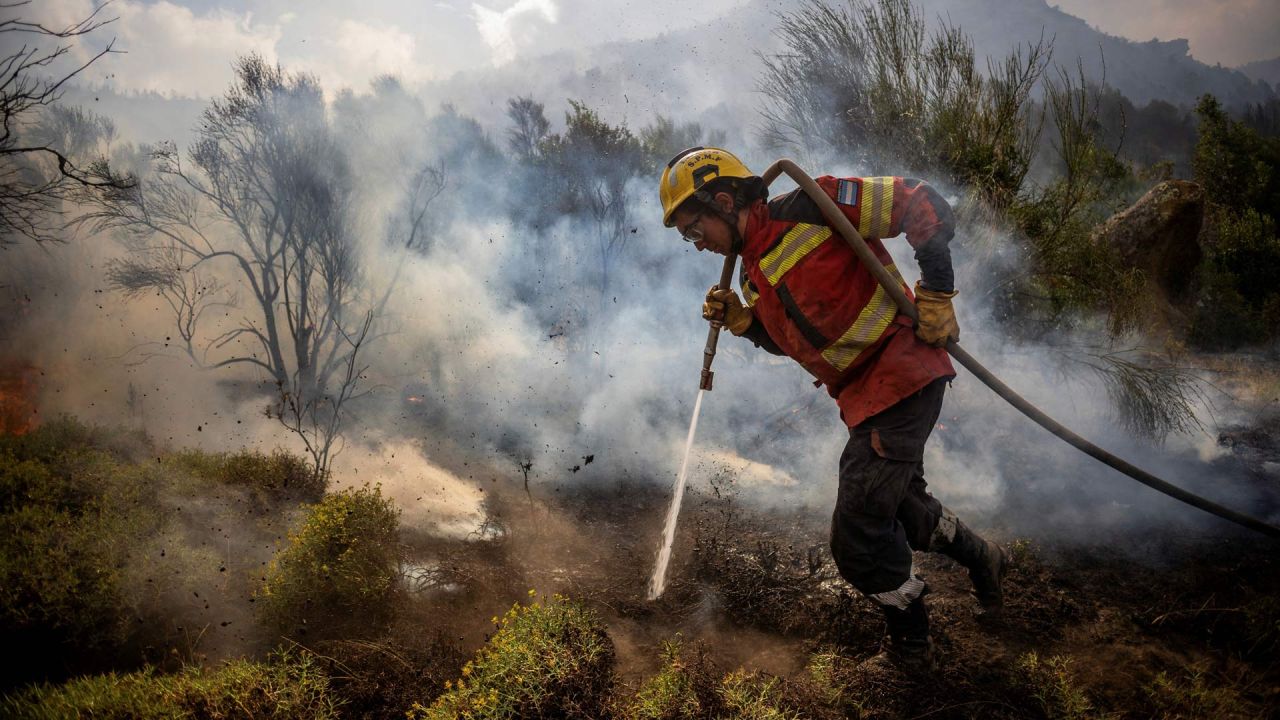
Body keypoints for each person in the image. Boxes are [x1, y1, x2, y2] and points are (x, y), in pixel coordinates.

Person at [658, 147, 1007, 670]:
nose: (697, 244)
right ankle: (984, 559)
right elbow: (795, 341)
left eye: (694, 229)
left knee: (860, 531)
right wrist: (745, 323)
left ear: (725, 201)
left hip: (903, 374)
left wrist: (937, 291)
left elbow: (921, 201)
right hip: (864, 398)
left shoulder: (812, 204)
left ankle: (910, 649)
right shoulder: (751, 274)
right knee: (905, 513)